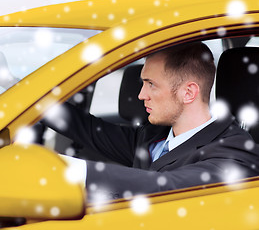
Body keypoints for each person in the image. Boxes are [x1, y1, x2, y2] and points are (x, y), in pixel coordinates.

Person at [43, 42, 259, 202]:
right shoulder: (153, 135)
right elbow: (87, 129)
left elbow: (167, 185)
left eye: (151, 84)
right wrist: (21, 97)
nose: (140, 95)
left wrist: (63, 169)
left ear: (188, 92)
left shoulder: (235, 153)